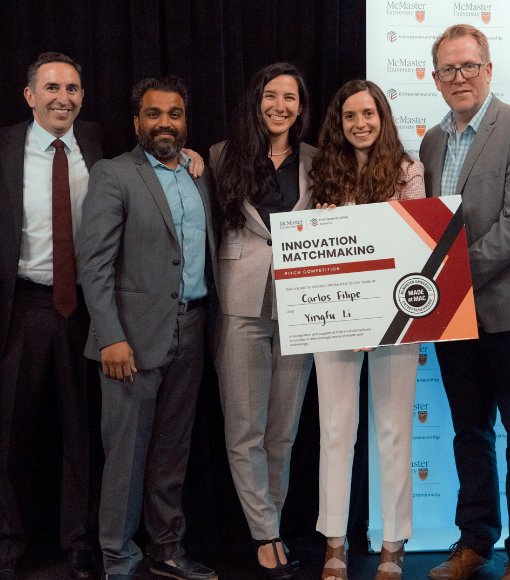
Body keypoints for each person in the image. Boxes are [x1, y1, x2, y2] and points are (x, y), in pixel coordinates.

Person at [419, 25, 510, 580]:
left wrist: (445, 280)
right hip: (455, 321)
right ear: (434, 78)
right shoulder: (429, 141)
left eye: (469, 66)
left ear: (490, 68)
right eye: (448, 69)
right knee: (469, 433)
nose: (460, 78)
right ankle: (475, 542)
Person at [76, 76, 218, 580]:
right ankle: (116, 556)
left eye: (174, 114)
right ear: (137, 122)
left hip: (194, 328)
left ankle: (167, 549)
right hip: (130, 339)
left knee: (172, 452)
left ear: (185, 120)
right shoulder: (113, 175)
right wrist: (110, 336)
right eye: (154, 114)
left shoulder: (199, 174)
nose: (164, 123)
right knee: (126, 456)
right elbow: (93, 266)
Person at [0, 52, 103, 580]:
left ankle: (78, 544)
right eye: (52, 87)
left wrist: (189, 155)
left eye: (72, 88)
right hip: (21, 306)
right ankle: (5, 545)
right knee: (8, 433)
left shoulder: (100, 145)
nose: (63, 97)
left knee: (82, 434)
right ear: (30, 95)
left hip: (85, 309)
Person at [310, 79, 426, 580]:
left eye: (368, 114)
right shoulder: (324, 170)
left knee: (394, 429)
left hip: (396, 317)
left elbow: (414, 244)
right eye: (349, 116)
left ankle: (393, 545)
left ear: (383, 118)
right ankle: (334, 542)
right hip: (335, 317)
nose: (360, 124)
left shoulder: (408, 170)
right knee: (335, 428)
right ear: (338, 123)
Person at [208, 62, 314, 580]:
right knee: (244, 429)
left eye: (290, 98)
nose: (280, 106)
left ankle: (270, 521)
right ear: (257, 101)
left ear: (301, 105)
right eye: (271, 95)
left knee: (284, 432)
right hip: (240, 302)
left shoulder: (320, 160)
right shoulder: (219, 157)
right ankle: (265, 534)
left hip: (305, 306)